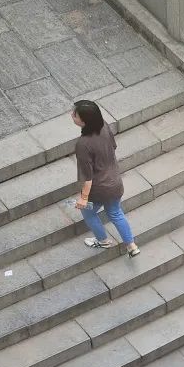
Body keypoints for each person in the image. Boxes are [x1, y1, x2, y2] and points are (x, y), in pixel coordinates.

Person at [72, 100, 140, 256]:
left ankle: (102, 240)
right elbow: (113, 147)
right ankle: (131, 245)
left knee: (88, 212)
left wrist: (83, 198)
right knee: (115, 212)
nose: (72, 115)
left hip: (99, 188)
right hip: (115, 181)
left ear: (84, 121)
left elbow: (87, 177)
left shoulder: (83, 144)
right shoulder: (103, 125)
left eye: (75, 114)